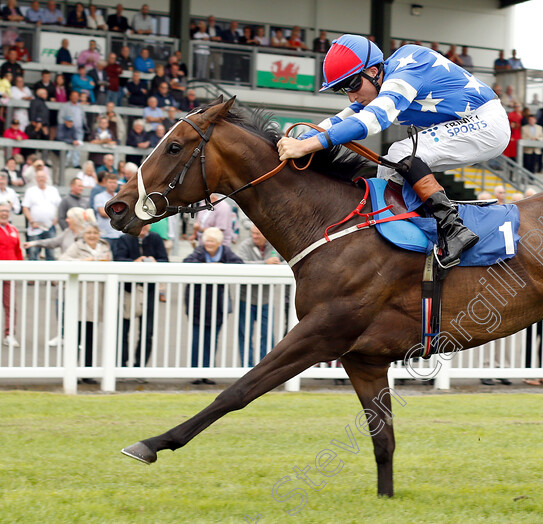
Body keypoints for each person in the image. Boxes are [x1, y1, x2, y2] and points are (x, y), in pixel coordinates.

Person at [277, 35, 509, 267]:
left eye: (352, 84)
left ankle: (454, 229)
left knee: (401, 151)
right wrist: (293, 141)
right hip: (473, 122)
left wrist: (306, 147)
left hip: (487, 123)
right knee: (387, 167)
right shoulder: (382, 81)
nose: (351, 95)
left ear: (373, 71)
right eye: (343, 89)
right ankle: (402, 241)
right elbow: (340, 119)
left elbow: (370, 122)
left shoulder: (407, 70)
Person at [183, 227, 243, 383]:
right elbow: (186, 262)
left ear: (219, 243)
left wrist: (221, 268)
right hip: (197, 301)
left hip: (218, 303)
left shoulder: (226, 252)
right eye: (207, 240)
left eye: (212, 241)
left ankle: (208, 371)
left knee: (212, 338)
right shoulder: (199, 252)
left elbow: (239, 263)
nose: (209, 244)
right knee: (197, 338)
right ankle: (195, 372)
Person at [59, 223, 112, 381]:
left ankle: (87, 372)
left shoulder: (104, 247)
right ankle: (71, 371)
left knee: (90, 337)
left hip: (97, 298)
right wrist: (85, 261)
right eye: (88, 233)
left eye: (94, 233)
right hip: (80, 297)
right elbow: (63, 260)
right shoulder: (77, 246)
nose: (91, 236)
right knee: (75, 337)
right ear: (83, 234)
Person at [114, 223, 167, 369]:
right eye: (140, 223)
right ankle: (121, 365)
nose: (143, 226)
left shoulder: (156, 238)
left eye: (146, 223)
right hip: (128, 290)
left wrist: (155, 262)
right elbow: (118, 259)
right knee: (123, 330)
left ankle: (140, 366)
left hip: (149, 290)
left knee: (147, 331)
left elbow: (165, 260)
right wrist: (134, 262)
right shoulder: (125, 238)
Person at [235, 225, 281, 367]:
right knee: (245, 335)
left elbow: (284, 262)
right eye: (253, 233)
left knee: (267, 336)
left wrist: (278, 265)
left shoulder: (274, 246)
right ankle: (247, 366)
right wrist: (265, 264)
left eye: (258, 234)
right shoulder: (245, 245)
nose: (255, 236)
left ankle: (265, 367)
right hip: (246, 299)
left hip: (266, 299)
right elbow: (240, 264)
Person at [21, 170, 61, 260]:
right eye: (39, 177)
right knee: (33, 252)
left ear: (46, 178)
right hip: (35, 227)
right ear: (36, 179)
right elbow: (25, 208)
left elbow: (60, 206)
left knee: (50, 253)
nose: (41, 179)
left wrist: (57, 218)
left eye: (43, 177)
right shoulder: (30, 191)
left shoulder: (53, 190)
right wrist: (31, 220)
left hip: (50, 226)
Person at [25, 206, 93, 255]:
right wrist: (33, 243)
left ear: (75, 220)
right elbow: (52, 242)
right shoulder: (67, 232)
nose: (66, 220)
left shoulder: (89, 235)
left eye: (69, 218)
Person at [0, 202, 23, 347]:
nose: (4, 213)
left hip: (11, 271)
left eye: (7, 211)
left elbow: (18, 251)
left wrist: (20, 268)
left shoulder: (13, 229)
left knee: (10, 305)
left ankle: (9, 334)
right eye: (2, 210)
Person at [93, 174, 123, 250]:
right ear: (105, 183)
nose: (112, 185)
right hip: (105, 235)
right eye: (110, 182)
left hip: (119, 235)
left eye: (114, 183)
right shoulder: (99, 197)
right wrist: (119, 213)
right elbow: (102, 213)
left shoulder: (120, 197)